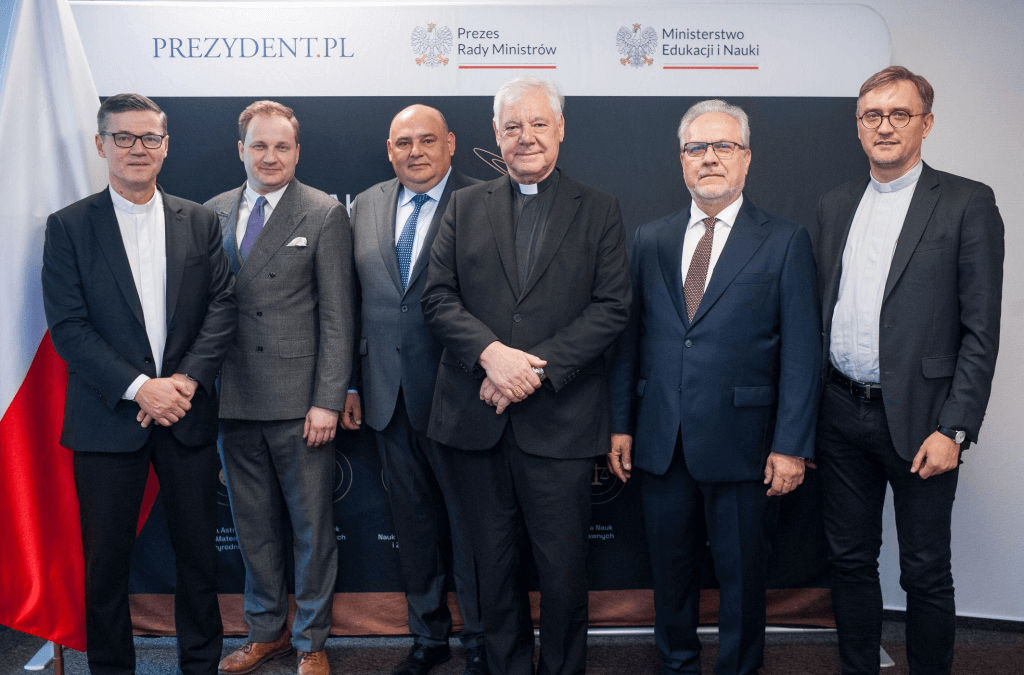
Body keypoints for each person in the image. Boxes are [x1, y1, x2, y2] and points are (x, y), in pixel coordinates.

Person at [421, 75, 631, 675]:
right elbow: (438, 299)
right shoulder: (463, 205)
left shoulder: (600, 208)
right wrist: (492, 355)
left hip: (559, 424)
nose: (526, 137)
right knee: (492, 567)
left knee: (564, 570)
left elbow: (613, 307)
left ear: (561, 130)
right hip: (474, 420)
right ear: (496, 135)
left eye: (539, 124)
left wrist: (530, 370)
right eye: (513, 127)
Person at [607, 99, 821, 675]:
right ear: (681, 162)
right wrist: (621, 423)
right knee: (669, 570)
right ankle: (676, 663)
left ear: (746, 159)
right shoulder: (650, 239)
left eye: (723, 146)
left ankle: (739, 668)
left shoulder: (784, 240)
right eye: (696, 148)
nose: (709, 158)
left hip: (746, 445)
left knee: (743, 576)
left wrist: (792, 443)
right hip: (662, 439)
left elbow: (803, 352)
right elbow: (631, 340)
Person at [814, 66, 1003, 675]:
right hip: (840, 414)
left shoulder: (969, 202)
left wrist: (954, 429)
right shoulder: (834, 204)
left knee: (924, 570)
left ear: (926, 122)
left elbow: (980, 330)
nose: (885, 126)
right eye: (872, 115)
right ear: (858, 126)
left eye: (899, 114)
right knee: (847, 561)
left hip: (924, 421)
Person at [41, 93, 236, 675]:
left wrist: (183, 382)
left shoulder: (199, 220)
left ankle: (199, 666)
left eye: (150, 138)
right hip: (107, 422)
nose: (137, 148)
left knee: (199, 559)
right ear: (101, 145)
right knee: (107, 568)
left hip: (187, 413)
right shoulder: (69, 226)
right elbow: (68, 328)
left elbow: (222, 307)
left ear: (166, 146)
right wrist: (138, 388)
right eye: (123, 137)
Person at [208, 100, 354, 675]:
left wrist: (326, 399)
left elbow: (339, 317)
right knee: (253, 529)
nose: (270, 157)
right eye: (259, 146)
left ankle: (312, 641)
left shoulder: (322, 213)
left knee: (312, 529)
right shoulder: (212, 212)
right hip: (231, 397)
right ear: (240, 149)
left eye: (282, 147)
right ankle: (265, 631)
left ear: (297, 151)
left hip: (300, 404)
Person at [345, 104, 485, 675]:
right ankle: (429, 638)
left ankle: (481, 638)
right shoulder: (368, 203)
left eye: (428, 140)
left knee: (473, 529)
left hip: (462, 395)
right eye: (403, 142)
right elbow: (352, 301)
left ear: (451, 143)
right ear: (388, 148)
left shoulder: (483, 200)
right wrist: (351, 383)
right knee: (414, 526)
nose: (415, 152)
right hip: (387, 394)